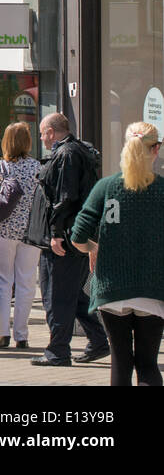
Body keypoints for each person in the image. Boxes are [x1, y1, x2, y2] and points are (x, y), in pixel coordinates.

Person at [71, 122, 164, 386]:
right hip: (153, 290)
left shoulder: (106, 187)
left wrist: (93, 248)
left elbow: (78, 235)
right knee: (147, 364)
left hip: (112, 289)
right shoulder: (162, 190)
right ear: (156, 149)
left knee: (120, 362)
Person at [27, 112, 109, 367]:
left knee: (57, 295)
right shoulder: (75, 152)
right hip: (73, 236)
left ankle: (58, 351)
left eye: (42, 133)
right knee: (75, 294)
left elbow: (64, 197)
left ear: (51, 132)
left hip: (64, 238)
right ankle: (98, 340)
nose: (41, 138)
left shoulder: (66, 154)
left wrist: (55, 234)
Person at [0, 122, 41, 350]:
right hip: (31, 232)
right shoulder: (37, 168)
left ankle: (3, 334)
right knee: (27, 282)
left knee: (4, 281)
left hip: (3, 230)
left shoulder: (1, 167)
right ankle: (21, 335)